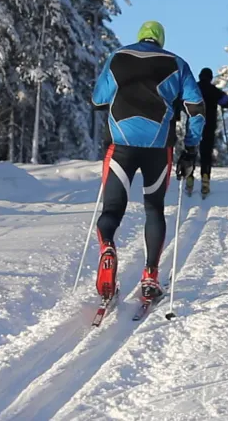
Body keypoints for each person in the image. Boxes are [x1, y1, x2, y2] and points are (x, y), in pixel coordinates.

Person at [91, 20, 206, 302]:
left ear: (140, 36)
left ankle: (107, 247)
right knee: (154, 209)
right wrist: (191, 149)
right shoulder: (178, 64)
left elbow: (97, 100)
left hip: (120, 145)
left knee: (113, 208)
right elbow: (197, 108)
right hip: (158, 146)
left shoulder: (117, 57)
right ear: (161, 40)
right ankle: (151, 276)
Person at [184, 68, 228, 197]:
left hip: (193, 125)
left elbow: (182, 102)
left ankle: (189, 177)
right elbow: (227, 103)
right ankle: (205, 178)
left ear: (199, 76)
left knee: (191, 151)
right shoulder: (214, 90)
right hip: (209, 126)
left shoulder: (194, 88)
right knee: (206, 153)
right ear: (210, 78)